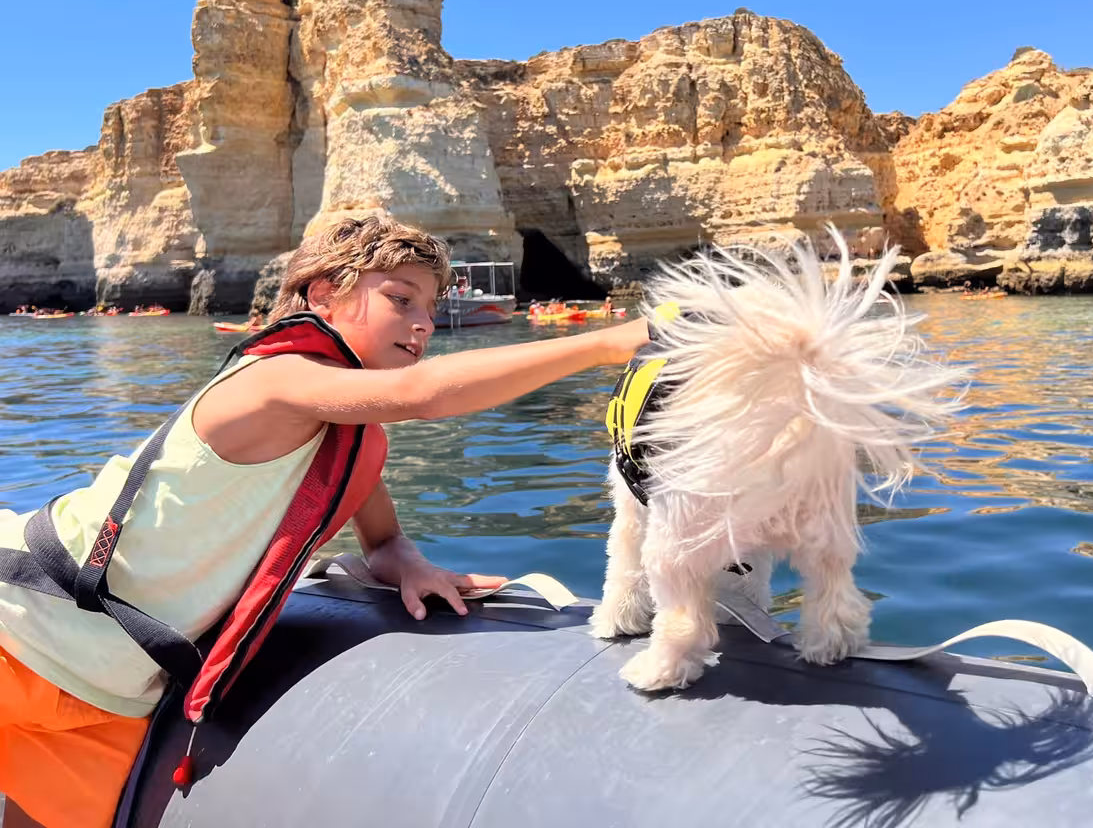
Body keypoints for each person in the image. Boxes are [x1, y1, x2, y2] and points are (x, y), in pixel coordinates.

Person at [0, 216, 653, 828]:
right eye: (401, 299)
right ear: (323, 295)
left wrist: (406, 562)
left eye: (430, 309)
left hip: (111, 690)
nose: (423, 323)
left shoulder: (350, 438)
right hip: (24, 625)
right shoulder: (272, 380)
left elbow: (383, 536)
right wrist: (605, 344)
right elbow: (420, 395)